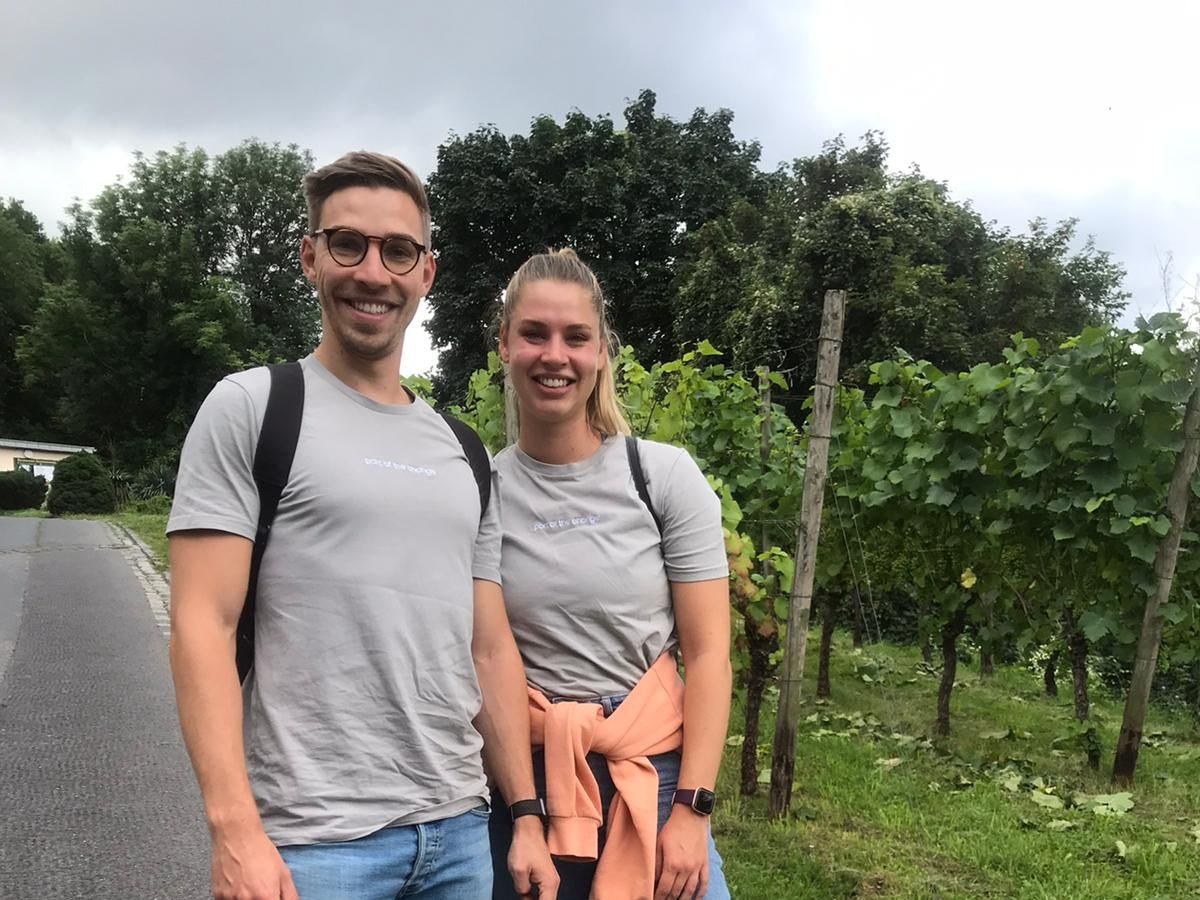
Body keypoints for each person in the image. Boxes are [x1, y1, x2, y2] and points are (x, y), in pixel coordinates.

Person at [167, 151, 558, 900]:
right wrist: (234, 829)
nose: (373, 272)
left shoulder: (464, 450)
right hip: (312, 846)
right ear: (311, 258)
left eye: (397, 251)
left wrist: (526, 815)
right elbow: (200, 626)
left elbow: (488, 646)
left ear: (426, 273)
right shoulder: (254, 408)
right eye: (348, 244)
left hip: (458, 835)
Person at [487, 249, 733, 900]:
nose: (554, 356)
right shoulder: (479, 493)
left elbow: (709, 655)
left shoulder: (662, 478)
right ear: (505, 346)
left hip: (652, 782)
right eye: (534, 334)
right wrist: (521, 815)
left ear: (601, 354)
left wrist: (692, 812)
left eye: (576, 337)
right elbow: (482, 660)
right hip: (530, 790)